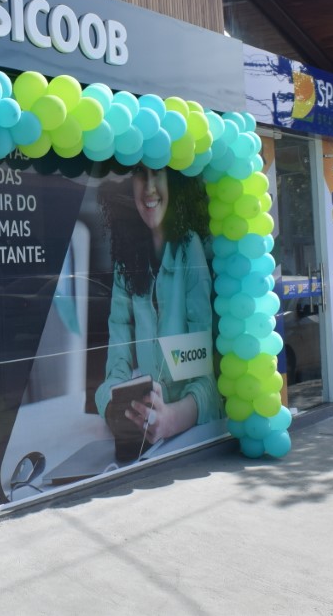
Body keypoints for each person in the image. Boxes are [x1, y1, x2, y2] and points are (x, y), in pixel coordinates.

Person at [94, 165, 220, 455]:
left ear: (173, 180)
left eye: (158, 172)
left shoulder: (188, 248)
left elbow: (204, 381)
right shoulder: (125, 262)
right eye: (140, 174)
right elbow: (116, 368)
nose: (149, 187)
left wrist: (169, 419)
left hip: (188, 443)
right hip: (146, 442)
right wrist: (115, 410)